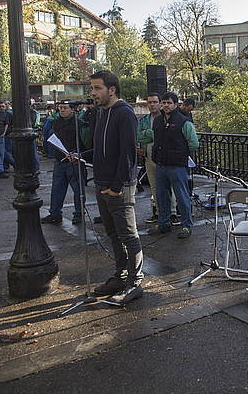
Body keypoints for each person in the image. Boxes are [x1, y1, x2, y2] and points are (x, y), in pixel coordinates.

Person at [77, 70, 143, 305]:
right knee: (113, 234)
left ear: (111, 89)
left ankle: (135, 283)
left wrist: (116, 187)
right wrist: (82, 155)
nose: (92, 93)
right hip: (102, 183)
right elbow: (102, 149)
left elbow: (127, 154)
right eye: (91, 88)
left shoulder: (124, 113)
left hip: (119, 186)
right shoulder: (101, 113)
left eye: (96, 88)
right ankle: (121, 275)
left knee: (128, 235)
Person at [148, 92, 199, 238]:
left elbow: (194, 143)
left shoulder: (184, 122)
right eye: (163, 103)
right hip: (161, 164)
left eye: (169, 103)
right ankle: (163, 223)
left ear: (176, 104)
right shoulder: (158, 121)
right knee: (161, 196)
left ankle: (186, 226)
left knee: (182, 196)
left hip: (177, 165)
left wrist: (180, 154)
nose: (165, 106)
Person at [41, 102, 88, 225]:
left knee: (78, 190)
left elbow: (85, 142)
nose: (62, 110)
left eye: (65, 108)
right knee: (57, 188)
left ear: (72, 110)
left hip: (74, 160)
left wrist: (78, 154)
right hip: (60, 160)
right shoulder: (56, 122)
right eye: (60, 108)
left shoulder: (79, 124)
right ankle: (55, 213)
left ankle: (79, 214)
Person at [137, 92, 162, 224]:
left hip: (163, 157)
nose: (152, 105)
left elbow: (162, 136)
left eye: (155, 102)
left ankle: (173, 212)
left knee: (166, 186)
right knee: (154, 186)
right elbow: (139, 137)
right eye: (150, 102)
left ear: (160, 103)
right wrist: (152, 136)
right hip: (148, 156)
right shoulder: (144, 120)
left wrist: (147, 132)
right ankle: (158, 212)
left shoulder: (165, 118)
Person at [0, 100, 15, 171]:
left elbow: (12, 124)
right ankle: (7, 166)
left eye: (3, 106)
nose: (1, 108)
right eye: (0, 106)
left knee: (8, 151)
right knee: (3, 151)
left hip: (8, 134)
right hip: (0, 135)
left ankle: (11, 164)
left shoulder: (9, 114)